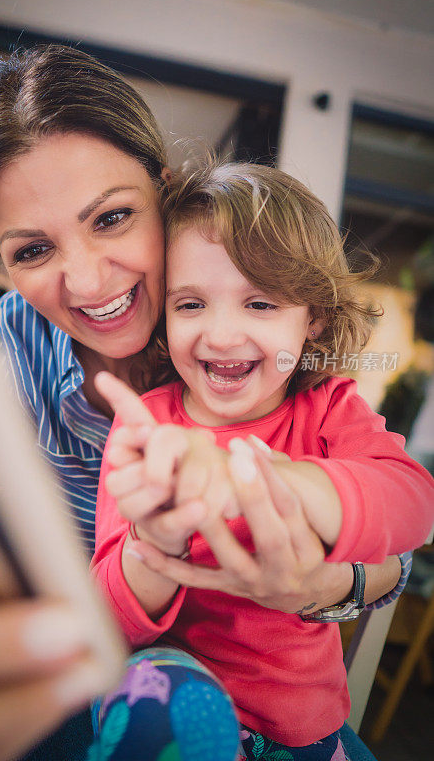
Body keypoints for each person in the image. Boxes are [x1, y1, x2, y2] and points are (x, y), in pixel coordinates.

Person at [0, 45, 410, 761]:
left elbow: (394, 526)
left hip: (289, 717)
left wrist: (322, 580)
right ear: (0, 261)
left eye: (110, 219)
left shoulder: (266, 354)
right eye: (32, 251)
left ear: (163, 196)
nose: (84, 281)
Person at [92, 161, 434, 759]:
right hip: (172, 714)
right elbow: (103, 618)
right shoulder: (148, 423)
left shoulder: (329, 408)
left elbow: (414, 502)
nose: (222, 335)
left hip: (301, 729)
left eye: (261, 304)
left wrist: (278, 483)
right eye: (191, 304)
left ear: (315, 319)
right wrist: (154, 545)